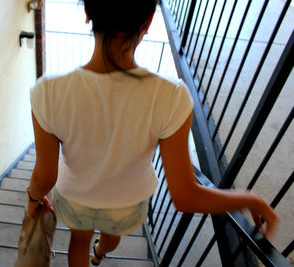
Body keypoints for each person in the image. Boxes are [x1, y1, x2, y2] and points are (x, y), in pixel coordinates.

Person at [26, 0, 279, 266]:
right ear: (148, 23)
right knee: (112, 237)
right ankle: (100, 253)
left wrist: (32, 200)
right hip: (126, 202)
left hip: (74, 196)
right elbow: (185, 196)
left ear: (88, 13)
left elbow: (45, 175)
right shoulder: (172, 97)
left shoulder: (47, 92)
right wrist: (248, 197)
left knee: (79, 240)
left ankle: (92, 251)